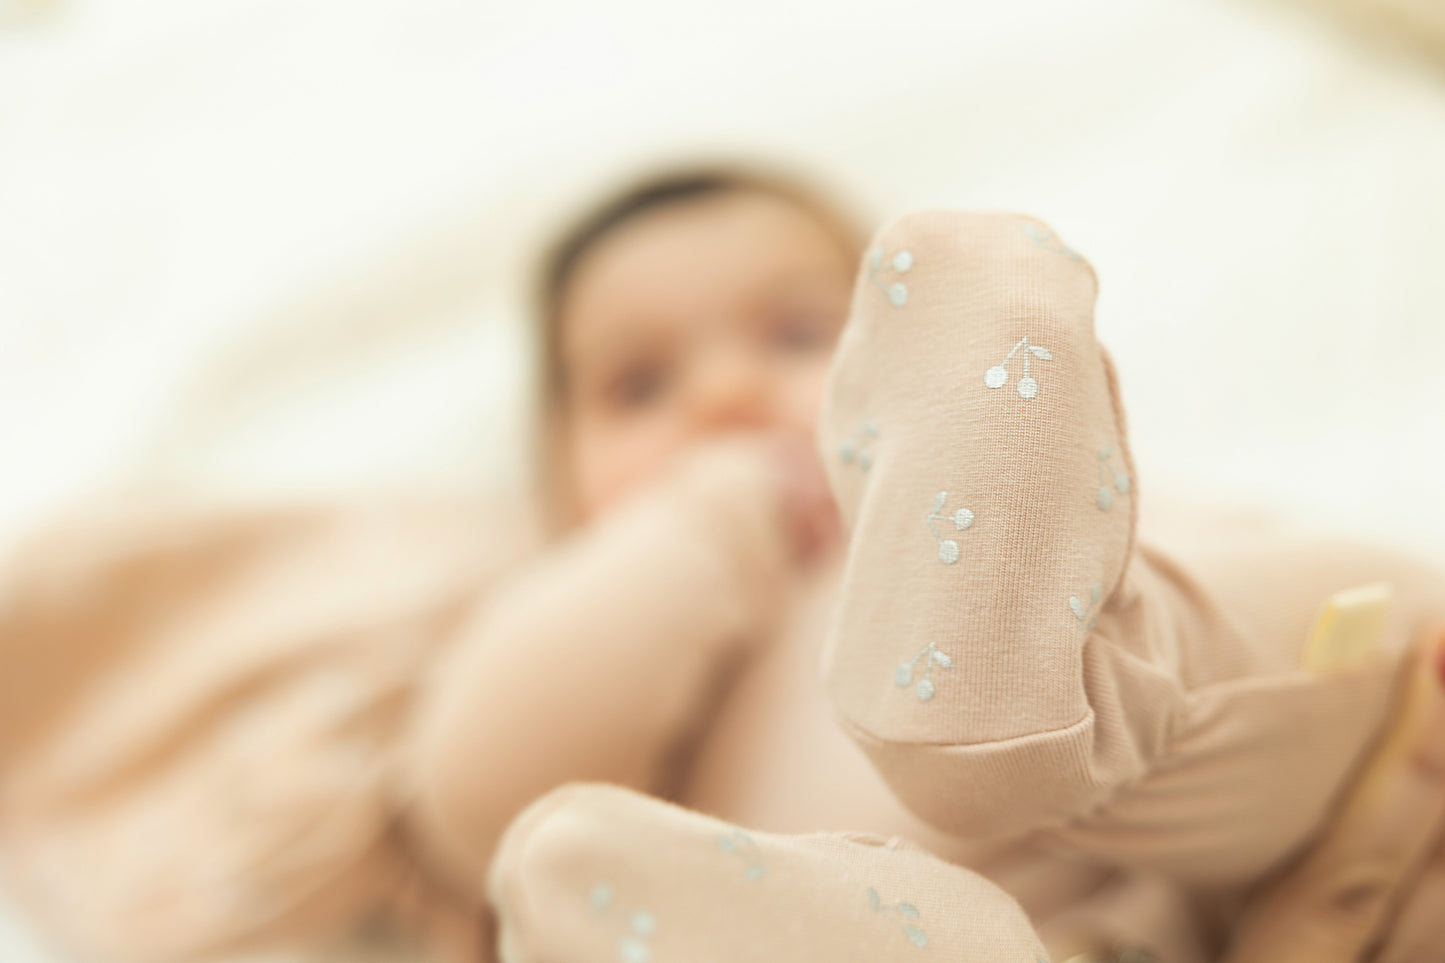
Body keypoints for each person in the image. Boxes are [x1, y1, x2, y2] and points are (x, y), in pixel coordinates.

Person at [2, 167, 1442, 963]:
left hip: (1175, 775)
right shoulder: (601, 600)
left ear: (903, 368)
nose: (724, 398)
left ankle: (1021, 697)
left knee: (1216, 646)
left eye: (793, 335)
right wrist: (689, 534)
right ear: (555, 482)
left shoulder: (1046, 505)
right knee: (614, 883)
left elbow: (1265, 570)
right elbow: (481, 804)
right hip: (958, 925)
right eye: (636, 388)